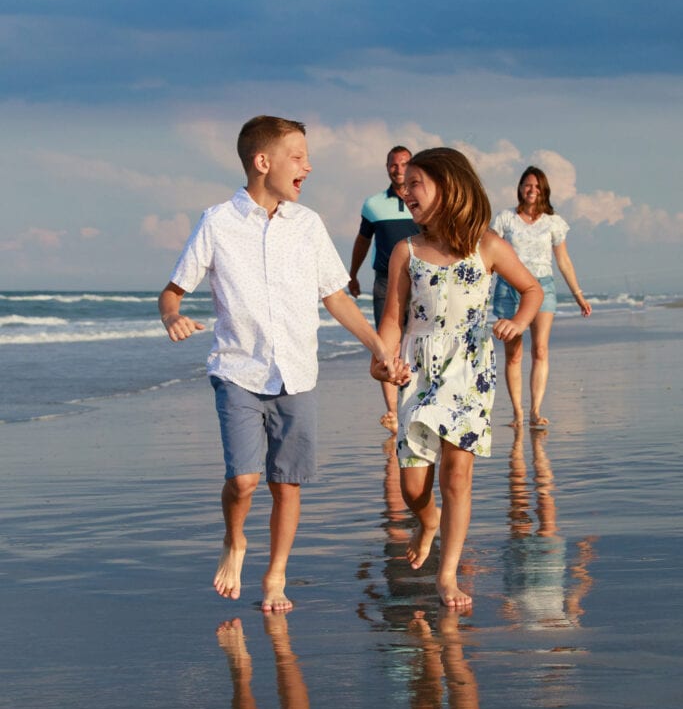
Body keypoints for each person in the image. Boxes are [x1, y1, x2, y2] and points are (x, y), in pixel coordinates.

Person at [158, 115, 407, 613]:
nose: (308, 167)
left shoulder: (308, 225)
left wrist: (379, 347)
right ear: (262, 162)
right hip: (237, 371)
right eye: (298, 157)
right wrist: (173, 317)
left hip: (297, 372)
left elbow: (335, 297)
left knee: (286, 483)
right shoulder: (218, 222)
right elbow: (172, 291)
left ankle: (275, 576)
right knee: (246, 480)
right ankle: (235, 539)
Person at [371, 148, 542, 611]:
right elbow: (393, 318)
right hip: (418, 367)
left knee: (458, 472)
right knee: (412, 489)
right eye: (402, 186)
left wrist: (520, 323)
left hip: (468, 368)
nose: (404, 193)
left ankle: (447, 574)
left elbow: (532, 288)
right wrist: (382, 355)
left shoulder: (486, 245)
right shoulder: (406, 252)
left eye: (414, 184)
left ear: (446, 186)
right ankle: (428, 521)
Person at [491, 165, 592, 428]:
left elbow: (564, 262)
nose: (532, 190)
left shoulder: (553, 222)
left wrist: (578, 295)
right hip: (508, 288)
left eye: (537, 186)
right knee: (513, 354)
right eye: (527, 185)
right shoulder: (504, 219)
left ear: (544, 190)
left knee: (540, 349)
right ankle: (518, 412)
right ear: (520, 188)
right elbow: (489, 256)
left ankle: (535, 409)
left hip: (543, 287)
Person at [348, 145, 415, 434]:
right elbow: (362, 241)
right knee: (385, 344)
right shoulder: (374, 204)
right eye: (393, 165)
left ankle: (413, 400)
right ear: (386, 167)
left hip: (422, 279)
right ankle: (392, 411)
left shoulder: (422, 199)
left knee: (416, 339)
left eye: (403, 164)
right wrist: (352, 274)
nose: (398, 169)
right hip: (385, 281)